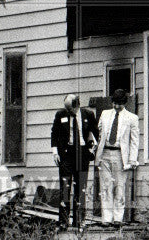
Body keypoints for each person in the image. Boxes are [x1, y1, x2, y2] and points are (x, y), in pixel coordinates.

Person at [50, 94, 98, 230]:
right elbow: (54, 133)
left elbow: (96, 133)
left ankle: (79, 221)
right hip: (66, 154)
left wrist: (92, 149)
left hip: (82, 154)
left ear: (77, 105)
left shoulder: (88, 114)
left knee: (81, 187)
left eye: (70, 109)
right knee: (65, 187)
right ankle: (64, 221)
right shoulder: (60, 114)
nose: (68, 111)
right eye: (66, 108)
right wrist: (55, 152)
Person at [94, 89, 140, 226]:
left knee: (119, 187)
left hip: (121, 155)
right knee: (106, 186)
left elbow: (134, 141)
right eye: (114, 103)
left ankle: (117, 218)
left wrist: (132, 159)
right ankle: (106, 219)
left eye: (119, 104)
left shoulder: (132, 118)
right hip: (105, 154)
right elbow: (99, 134)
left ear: (124, 103)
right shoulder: (105, 114)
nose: (116, 106)